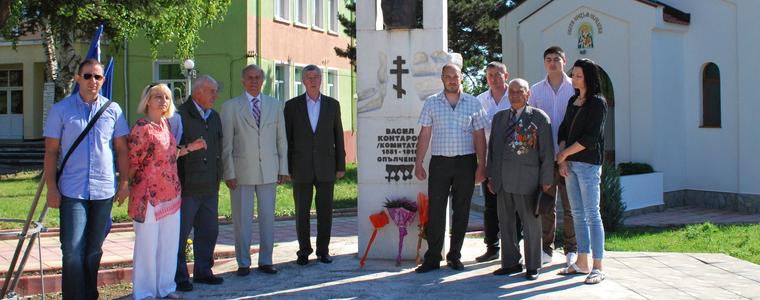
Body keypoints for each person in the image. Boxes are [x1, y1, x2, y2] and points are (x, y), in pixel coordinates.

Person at [43, 58, 130, 300]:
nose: (93, 81)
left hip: (103, 190)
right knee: (72, 250)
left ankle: (90, 294)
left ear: (103, 80)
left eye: (98, 77)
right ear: (78, 78)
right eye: (88, 75)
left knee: (93, 250)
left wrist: (124, 184)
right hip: (72, 191)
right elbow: (50, 151)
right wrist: (51, 188)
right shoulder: (61, 110)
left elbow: (122, 149)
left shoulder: (113, 110)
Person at [127, 83, 206, 299]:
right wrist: (126, 187)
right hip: (148, 196)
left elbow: (169, 155)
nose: (163, 101)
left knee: (168, 245)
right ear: (147, 101)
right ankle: (144, 292)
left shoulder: (166, 125)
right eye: (158, 97)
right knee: (147, 246)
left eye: (167, 98)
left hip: (171, 194)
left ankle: (166, 288)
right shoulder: (142, 128)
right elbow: (132, 163)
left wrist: (191, 148)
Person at [414, 63, 487, 273]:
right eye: (448, 76)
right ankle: (432, 258)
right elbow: (425, 134)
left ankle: (455, 255)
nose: (452, 80)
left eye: (455, 76)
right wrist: (418, 162)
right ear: (442, 78)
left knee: (462, 210)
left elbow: (479, 137)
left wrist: (482, 165)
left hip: (466, 162)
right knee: (436, 211)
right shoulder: (431, 102)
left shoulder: (473, 103)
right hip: (439, 163)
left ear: (461, 77)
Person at [222, 65, 289, 275]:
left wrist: (283, 168)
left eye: (258, 77)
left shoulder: (275, 105)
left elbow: (281, 140)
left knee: (268, 218)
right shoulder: (230, 107)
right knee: (242, 220)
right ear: (243, 81)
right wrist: (229, 172)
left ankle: (266, 260)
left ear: (263, 81)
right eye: (250, 77)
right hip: (241, 172)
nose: (254, 81)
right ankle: (243, 262)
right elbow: (227, 144)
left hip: (269, 170)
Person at [487, 79, 554, 281]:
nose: (514, 95)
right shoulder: (499, 118)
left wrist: (546, 180)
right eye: (512, 91)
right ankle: (510, 263)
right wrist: (491, 176)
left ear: (528, 94)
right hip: (502, 181)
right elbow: (492, 151)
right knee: (505, 224)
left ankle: (533, 265)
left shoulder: (538, 118)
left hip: (528, 181)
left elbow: (547, 152)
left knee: (531, 225)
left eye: (519, 91)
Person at [284, 64, 346, 265]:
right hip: (300, 166)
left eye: (316, 77)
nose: (312, 80)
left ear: (321, 80)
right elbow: (286, 138)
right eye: (308, 77)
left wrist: (341, 165)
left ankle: (323, 250)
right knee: (302, 212)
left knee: (325, 211)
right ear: (303, 81)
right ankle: (303, 250)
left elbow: (338, 136)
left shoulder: (332, 105)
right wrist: (286, 168)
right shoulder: (292, 106)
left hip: (326, 165)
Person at [557, 58, 608, 284]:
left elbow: (590, 138)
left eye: (578, 75)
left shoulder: (598, 103)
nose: (573, 79)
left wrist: (565, 154)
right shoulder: (572, 100)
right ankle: (581, 262)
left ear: (588, 77)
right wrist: (563, 158)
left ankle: (598, 267)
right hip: (570, 164)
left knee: (592, 215)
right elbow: (563, 130)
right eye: (573, 75)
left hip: (588, 164)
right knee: (577, 214)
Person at [527, 46, 578, 266]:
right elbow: (531, 123)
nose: (552, 62)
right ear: (544, 62)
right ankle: (546, 249)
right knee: (546, 205)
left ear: (564, 61)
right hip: (545, 158)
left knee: (570, 206)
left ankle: (571, 249)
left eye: (556, 59)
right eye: (548, 59)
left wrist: (567, 153)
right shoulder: (536, 90)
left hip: (570, 156)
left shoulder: (575, 88)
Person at [175, 75, 225, 291]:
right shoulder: (179, 116)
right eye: (211, 91)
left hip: (209, 185)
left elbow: (218, 149)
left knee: (208, 230)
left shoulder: (214, 117)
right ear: (197, 92)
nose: (215, 95)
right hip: (187, 186)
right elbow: (172, 151)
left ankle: (203, 271)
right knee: (181, 234)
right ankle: (179, 276)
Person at [474, 62, 513, 263]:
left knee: (513, 205)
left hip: (514, 161)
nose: (494, 78)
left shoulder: (515, 96)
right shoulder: (479, 100)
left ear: (506, 75)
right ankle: (492, 247)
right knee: (491, 206)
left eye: (498, 74)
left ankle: (513, 247)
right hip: (489, 159)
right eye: (490, 75)